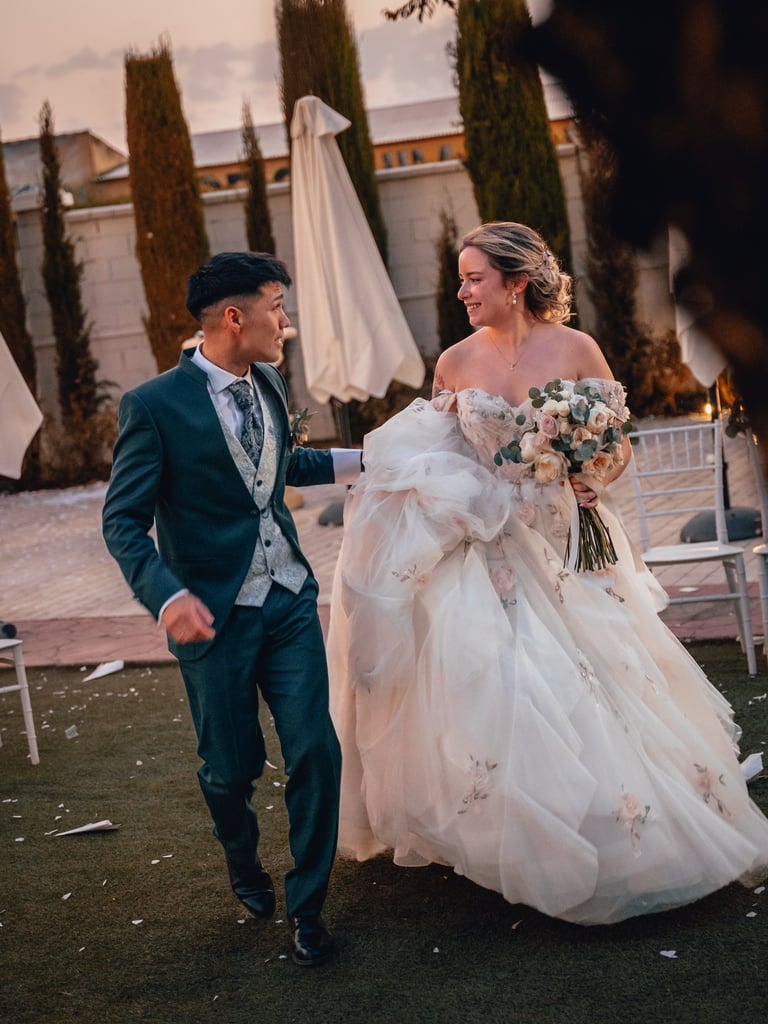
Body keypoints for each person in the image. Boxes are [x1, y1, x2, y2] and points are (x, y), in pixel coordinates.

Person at [327, 221, 768, 925]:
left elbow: (618, 444)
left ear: (516, 283)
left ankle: (621, 827)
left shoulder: (576, 348)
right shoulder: (454, 363)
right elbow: (441, 456)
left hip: (568, 538)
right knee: (507, 683)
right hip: (488, 547)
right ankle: (518, 830)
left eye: (474, 278)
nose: (462, 292)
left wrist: (595, 474)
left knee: (599, 678)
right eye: (462, 279)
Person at [103, 251, 361, 966]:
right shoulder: (153, 406)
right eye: (277, 307)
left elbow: (281, 468)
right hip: (212, 617)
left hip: (289, 601)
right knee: (230, 768)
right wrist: (167, 596)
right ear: (234, 317)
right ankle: (242, 861)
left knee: (316, 749)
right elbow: (122, 521)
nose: (286, 322)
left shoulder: (269, 381)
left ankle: (308, 908)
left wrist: (368, 460)